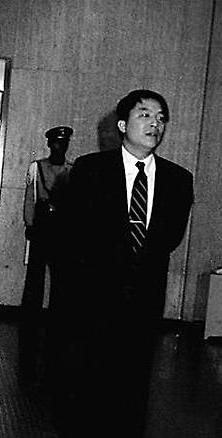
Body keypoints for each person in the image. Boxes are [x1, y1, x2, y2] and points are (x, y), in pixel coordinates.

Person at [56, 89, 194, 437]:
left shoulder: (178, 180)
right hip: (93, 302)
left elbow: (169, 238)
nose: (155, 124)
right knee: (86, 390)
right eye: (145, 115)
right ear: (122, 125)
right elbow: (73, 236)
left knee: (133, 390)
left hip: (144, 302)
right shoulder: (90, 170)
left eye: (161, 118)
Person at [18, 125, 73, 389]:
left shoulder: (72, 170)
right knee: (35, 275)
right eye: (57, 143)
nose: (60, 147)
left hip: (62, 228)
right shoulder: (36, 168)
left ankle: (58, 316)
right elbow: (30, 197)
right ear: (50, 145)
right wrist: (29, 223)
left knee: (61, 276)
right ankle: (30, 316)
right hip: (42, 225)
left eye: (64, 143)